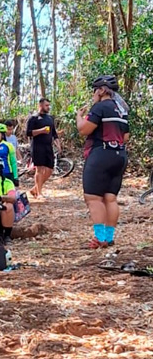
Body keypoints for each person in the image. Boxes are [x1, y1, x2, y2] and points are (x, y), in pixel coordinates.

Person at [76, 75, 129, 248]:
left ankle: (99, 238)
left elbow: (84, 129)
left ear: (102, 90)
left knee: (93, 198)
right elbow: (125, 136)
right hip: (120, 155)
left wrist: (79, 117)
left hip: (101, 155)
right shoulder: (121, 109)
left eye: (94, 90)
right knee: (110, 198)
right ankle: (109, 237)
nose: (93, 94)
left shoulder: (100, 107)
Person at [26, 98, 61, 198]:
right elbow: (28, 133)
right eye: (46, 105)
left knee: (50, 169)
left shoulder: (50, 118)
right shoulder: (33, 118)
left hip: (48, 147)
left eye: (49, 105)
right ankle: (39, 193)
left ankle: (35, 188)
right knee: (40, 169)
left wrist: (58, 144)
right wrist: (41, 131)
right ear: (40, 105)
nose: (48, 107)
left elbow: (54, 133)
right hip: (37, 147)